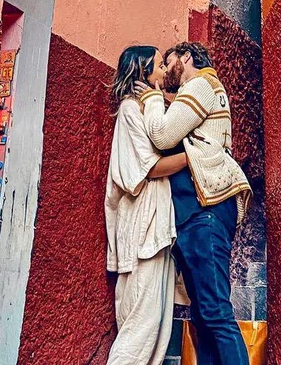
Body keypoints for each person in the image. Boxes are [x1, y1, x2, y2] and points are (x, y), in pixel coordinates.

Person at [135, 42, 251, 365]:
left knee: (215, 312)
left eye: (167, 62)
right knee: (204, 316)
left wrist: (153, 97)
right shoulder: (201, 92)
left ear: (185, 59)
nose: (164, 71)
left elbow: (162, 135)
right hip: (198, 212)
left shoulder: (200, 83)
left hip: (206, 211)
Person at [104, 45, 191, 365]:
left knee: (153, 326)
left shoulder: (149, 110)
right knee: (140, 328)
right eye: (157, 66)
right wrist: (195, 157)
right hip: (143, 229)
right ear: (143, 74)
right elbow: (148, 168)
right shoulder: (130, 110)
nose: (164, 71)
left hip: (154, 229)